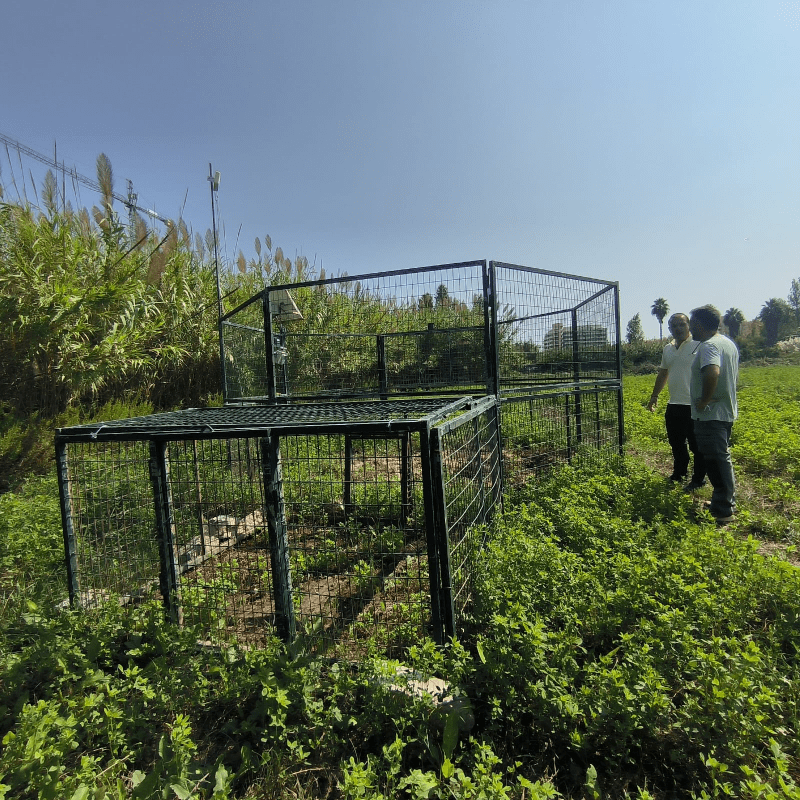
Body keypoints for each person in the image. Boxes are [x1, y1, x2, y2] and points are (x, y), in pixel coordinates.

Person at [689, 304, 739, 524]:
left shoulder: (709, 345)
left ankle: (723, 511)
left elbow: (712, 372)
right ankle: (722, 500)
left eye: (692, 324)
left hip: (711, 414)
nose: (690, 328)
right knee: (720, 458)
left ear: (700, 324)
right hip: (725, 411)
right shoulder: (726, 343)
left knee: (717, 462)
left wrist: (704, 400)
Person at [647, 313, 706, 489]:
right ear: (669, 329)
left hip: (695, 405)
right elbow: (663, 373)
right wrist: (654, 395)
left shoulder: (700, 345)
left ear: (689, 326)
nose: (678, 328)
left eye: (682, 324)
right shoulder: (668, 348)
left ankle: (698, 480)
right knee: (676, 443)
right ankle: (679, 474)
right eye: (674, 325)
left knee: (697, 446)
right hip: (674, 405)